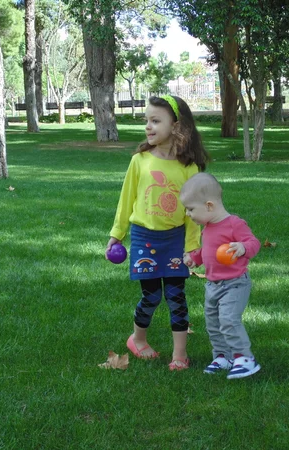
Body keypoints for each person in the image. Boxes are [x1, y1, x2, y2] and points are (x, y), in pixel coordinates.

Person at [106, 95, 209, 371]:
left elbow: (193, 214)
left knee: (177, 298)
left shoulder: (189, 167)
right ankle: (137, 340)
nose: (148, 127)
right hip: (144, 238)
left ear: (176, 126)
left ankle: (180, 355)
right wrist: (117, 234)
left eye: (155, 121)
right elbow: (125, 200)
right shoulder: (140, 161)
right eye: (146, 121)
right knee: (151, 296)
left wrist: (192, 247)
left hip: (175, 240)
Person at [180, 173, 262, 379]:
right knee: (213, 323)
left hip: (235, 283)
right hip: (213, 285)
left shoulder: (234, 223)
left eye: (191, 209)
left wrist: (243, 247)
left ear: (209, 206)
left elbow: (254, 243)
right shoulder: (207, 228)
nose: (188, 214)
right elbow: (208, 250)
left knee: (228, 319)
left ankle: (245, 358)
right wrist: (194, 258)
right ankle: (222, 357)